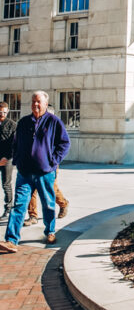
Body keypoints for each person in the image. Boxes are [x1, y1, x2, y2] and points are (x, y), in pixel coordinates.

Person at [0, 91, 71, 253]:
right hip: (25, 172)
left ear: (46, 104)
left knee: (48, 203)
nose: (35, 105)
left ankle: (50, 231)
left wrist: (53, 161)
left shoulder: (54, 122)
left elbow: (64, 143)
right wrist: (17, 159)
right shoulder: (24, 122)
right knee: (19, 205)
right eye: (33, 102)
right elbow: (16, 143)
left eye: (38, 102)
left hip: (45, 172)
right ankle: (11, 240)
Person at [25, 105, 70, 225]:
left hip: (49, 164)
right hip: (33, 164)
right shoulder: (32, 125)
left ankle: (63, 203)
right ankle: (32, 216)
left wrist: (54, 160)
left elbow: (64, 145)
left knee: (50, 188)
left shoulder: (56, 127)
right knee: (31, 189)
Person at [0, 102, 15, 220]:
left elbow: (14, 144)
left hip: (7, 159)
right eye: (0, 112)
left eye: (4, 112)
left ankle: (9, 208)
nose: (2, 114)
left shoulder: (12, 125)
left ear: (8, 111)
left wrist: (6, 157)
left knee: (6, 184)